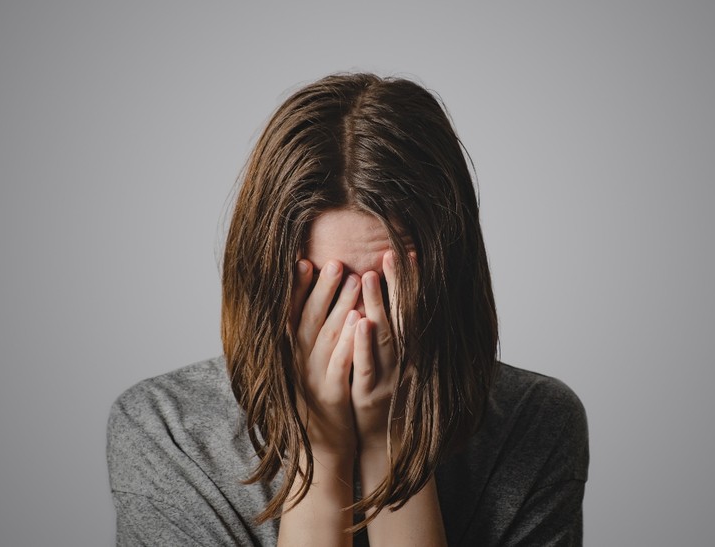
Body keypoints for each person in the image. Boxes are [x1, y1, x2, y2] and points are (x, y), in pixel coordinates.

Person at [107, 73, 589, 546]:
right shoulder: (166, 433)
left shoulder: (536, 423)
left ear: (447, 282)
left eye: (387, 287)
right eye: (326, 290)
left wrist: (394, 446)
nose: (361, 327)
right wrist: (321, 454)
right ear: (267, 284)